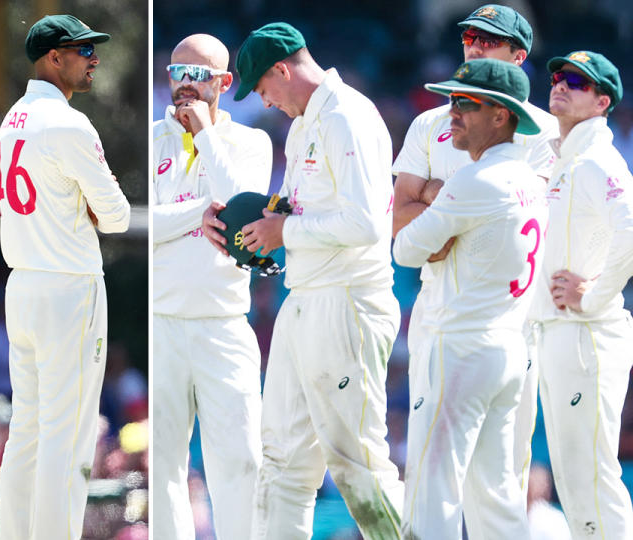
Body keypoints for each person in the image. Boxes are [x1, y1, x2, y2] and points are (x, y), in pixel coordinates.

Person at [204, 22, 404, 539]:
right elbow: (296, 212)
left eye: (263, 89)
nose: (265, 102)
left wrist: (283, 227)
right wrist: (252, 228)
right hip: (305, 298)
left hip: (348, 304)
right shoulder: (302, 127)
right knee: (283, 461)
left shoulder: (348, 117)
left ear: (282, 69)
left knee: (357, 465)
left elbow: (366, 225)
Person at [391, 3, 558, 494]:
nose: (475, 45)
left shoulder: (543, 131)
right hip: (435, 309)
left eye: (489, 39)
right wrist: (443, 205)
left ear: (519, 54)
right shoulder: (428, 123)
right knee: (428, 471)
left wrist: (438, 197)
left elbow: (516, 223)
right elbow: (399, 224)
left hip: (512, 311)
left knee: (500, 480)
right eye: (470, 37)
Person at [0, 14, 130, 540]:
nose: (93, 59)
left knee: (27, 430)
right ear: (54, 57)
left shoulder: (11, 118)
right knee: (67, 434)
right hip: (67, 285)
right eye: (83, 50)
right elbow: (116, 215)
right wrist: (94, 205)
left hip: (24, 284)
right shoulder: (69, 123)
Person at [149, 33, 271, 539]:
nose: (185, 84)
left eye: (199, 75)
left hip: (223, 321)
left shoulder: (250, 142)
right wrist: (196, 217)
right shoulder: (149, 137)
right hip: (161, 322)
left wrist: (204, 134)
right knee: (163, 470)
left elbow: (239, 204)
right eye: (178, 72)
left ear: (224, 83)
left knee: (241, 463)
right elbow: (138, 225)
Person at [534, 50, 633, 539]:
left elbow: (631, 228)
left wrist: (592, 293)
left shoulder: (598, 160)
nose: (560, 85)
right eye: (557, 76)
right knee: (573, 478)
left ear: (601, 101)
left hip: (587, 332)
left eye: (576, 80)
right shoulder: (561, 157)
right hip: (558, 332)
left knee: (589, 474)